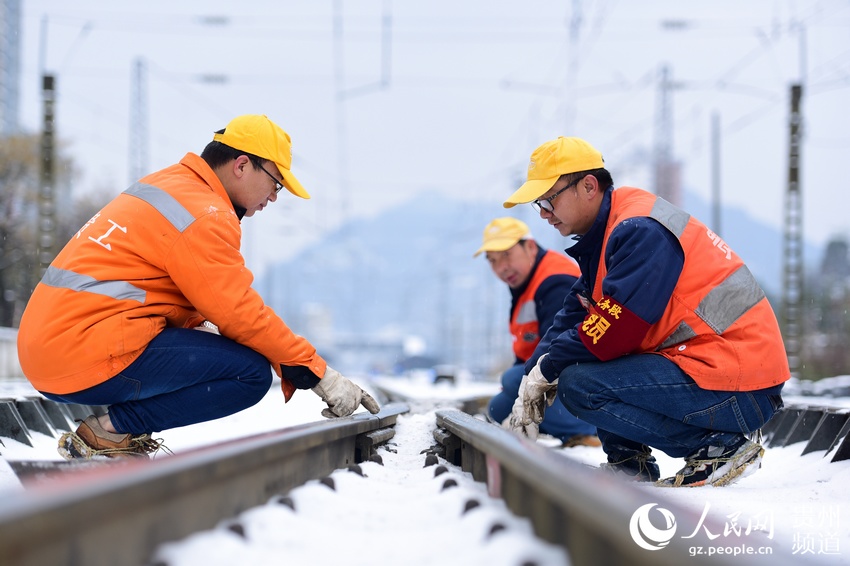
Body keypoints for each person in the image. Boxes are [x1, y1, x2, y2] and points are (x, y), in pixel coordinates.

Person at [17, 114, 379, 460]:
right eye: (275, 182)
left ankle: (114, 431)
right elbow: (239, 312)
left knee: (232, 352)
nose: (274, 197)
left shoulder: (170, 185)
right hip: (80, 351)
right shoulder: (206, 214)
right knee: (249, 374)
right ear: (241, 165)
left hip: (47, 348)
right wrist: (316, 372)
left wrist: (201, 328)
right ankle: (112, 430)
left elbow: (158, 291)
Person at [502, 136, 789, 487]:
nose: (544, 213)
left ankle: (719, 448)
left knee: (581, 383)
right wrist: (530, 378)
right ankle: (628, 465)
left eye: (548, 199)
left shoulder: (639, 230)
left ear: (588, 186)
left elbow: (616, 331)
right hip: (718, 374)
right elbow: (574, 315)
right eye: (538, 204)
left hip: (738, 387)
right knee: (579, 365)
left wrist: (549, 368)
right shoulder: (609, 233)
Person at [475, 217, 598, 447]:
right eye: (492, 261)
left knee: (512, 379)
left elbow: (562, 350)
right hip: (549, 374)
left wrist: (525, 382)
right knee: (498, 407)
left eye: (506, 255)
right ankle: (564, 424)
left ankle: (588, 428)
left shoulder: (555, 281)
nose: (501, 267)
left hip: (576, 375)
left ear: (530, 247)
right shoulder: (526, 283)